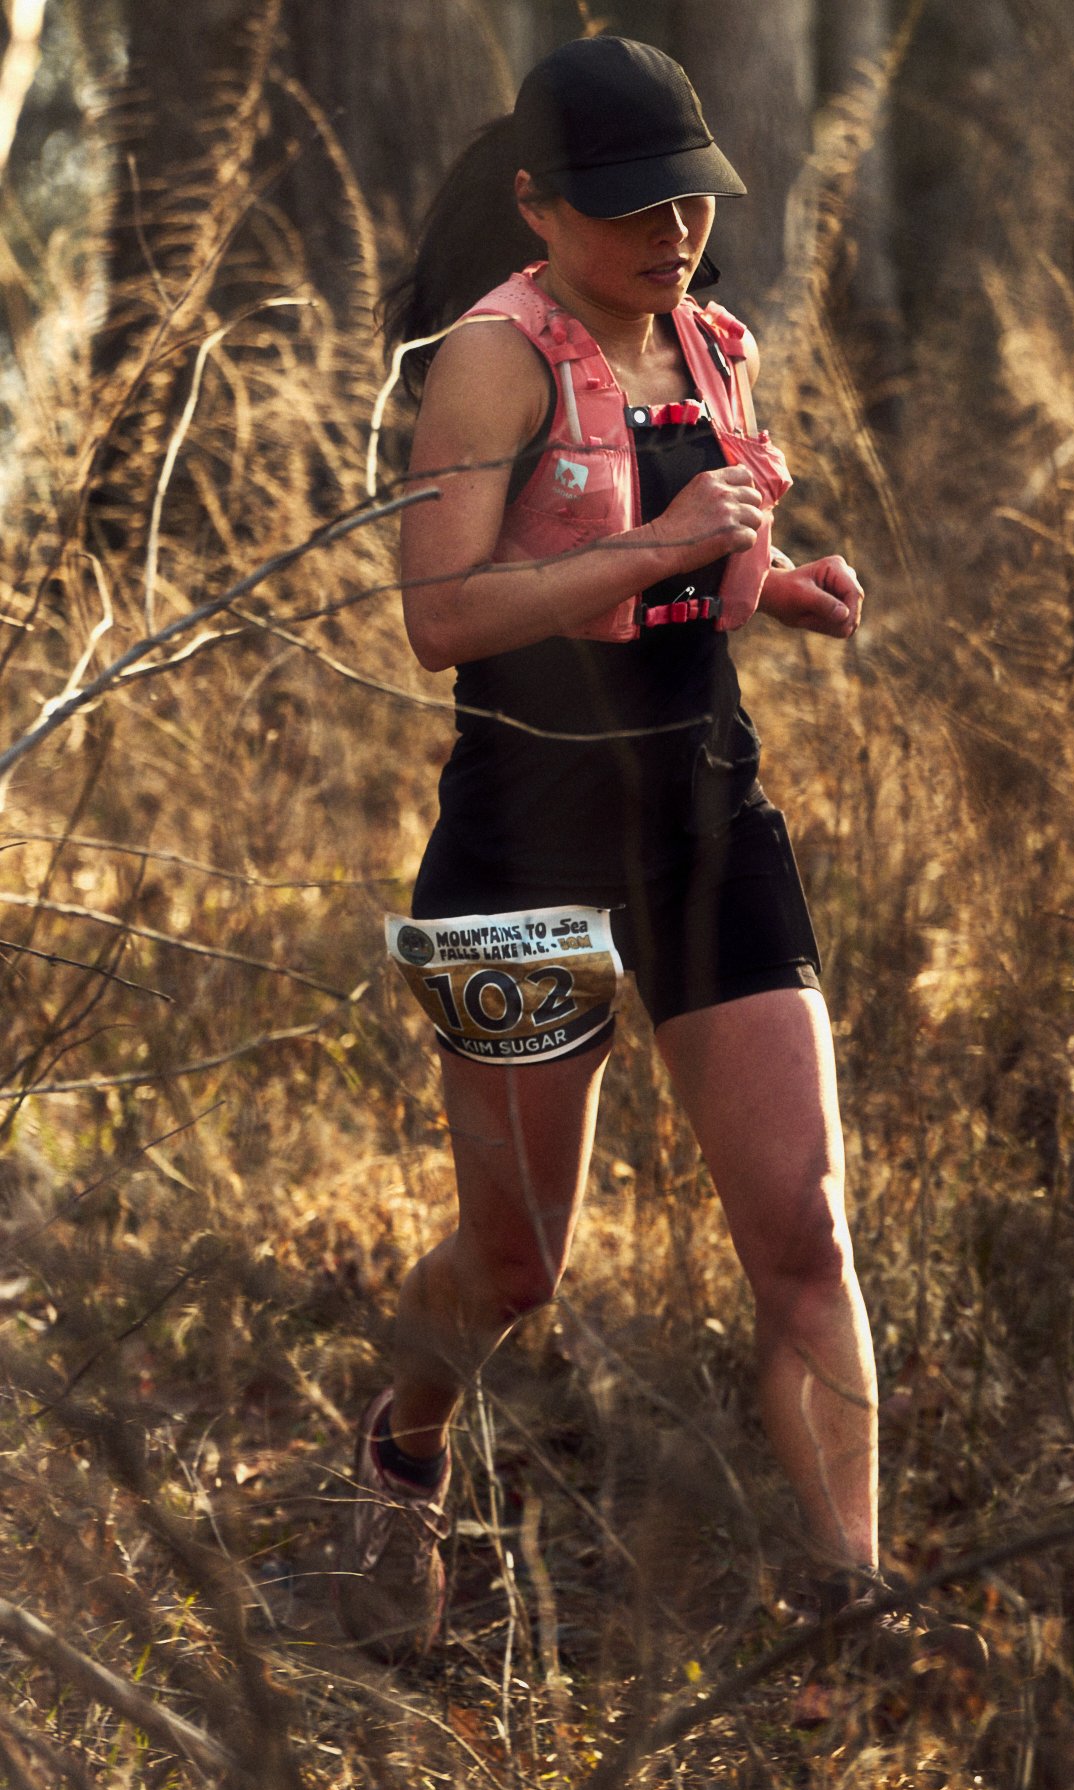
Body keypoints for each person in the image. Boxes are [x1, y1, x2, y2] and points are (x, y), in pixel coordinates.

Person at [338, 35, 880, 1661]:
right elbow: (442, 619)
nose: (672, 236)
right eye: (633, 209)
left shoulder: (718, 345)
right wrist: (657, 540)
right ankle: (402, 1447)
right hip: (525, 832)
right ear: (538, 205)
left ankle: (854, 1621)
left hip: (708, 806)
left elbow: (679, 574)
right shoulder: (491, 361)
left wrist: (779, 584)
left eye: (692, 202)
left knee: (804, 1233)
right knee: (514, 1266)